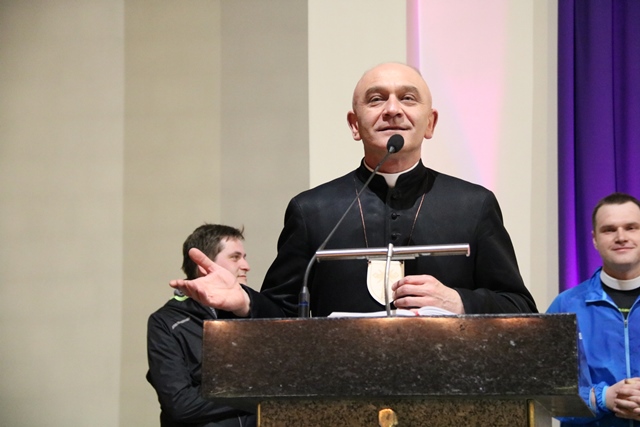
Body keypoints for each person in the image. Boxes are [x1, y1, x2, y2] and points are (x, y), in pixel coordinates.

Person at [170, 62, 537, 318]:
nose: (392, 110)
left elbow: (520, 307)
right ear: (354, 125)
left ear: (430, 123)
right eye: (376, 99)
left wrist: (459, 302)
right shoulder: (312, 210)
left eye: (408, 98)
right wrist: (244, 302)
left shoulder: (473, 204)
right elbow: (283, 312)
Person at [147, 224, 256, 427]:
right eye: (235, 257)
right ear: (205, 266)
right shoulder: (166, 322)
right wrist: (254, 393)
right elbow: (180, 404)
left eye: (244, 257)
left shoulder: (251, 312)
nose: (246, 265)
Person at [547, 192, 640, 426]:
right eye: (609, 230)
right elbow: (547, 391)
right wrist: (603, 398)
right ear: (595, 239)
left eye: (631, 228)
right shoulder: (565, 306)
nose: (621, 237)